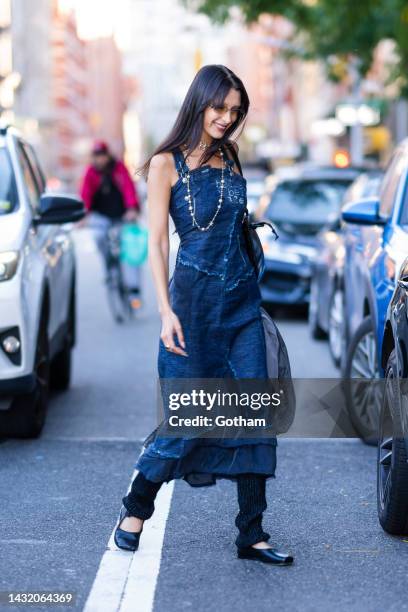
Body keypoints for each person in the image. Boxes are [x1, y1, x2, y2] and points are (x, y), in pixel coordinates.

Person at [114, 65, 294, 565]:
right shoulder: (164, 164)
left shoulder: (232, 158)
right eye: (220, 108)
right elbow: (154, 242)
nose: (227, 118)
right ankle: (135, 508)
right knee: (185, 417)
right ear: (200, 103)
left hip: (241, 306)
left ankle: (252, 534)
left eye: (236, 111)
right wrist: (164, 310)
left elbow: (237, 230)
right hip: (190, 310)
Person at [79, 141, 142, 300]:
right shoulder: (90, 173)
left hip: (122, 215)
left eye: (102, 155)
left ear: (107, 155)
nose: (100, 159)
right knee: (99, 237)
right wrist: (83, 217)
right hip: (101, 216)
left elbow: (129, 189)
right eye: (96, 156)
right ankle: (109, 269)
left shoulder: (119, 168)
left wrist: (132, 209)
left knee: (130, 247)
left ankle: (133, 286)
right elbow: (85, 194)